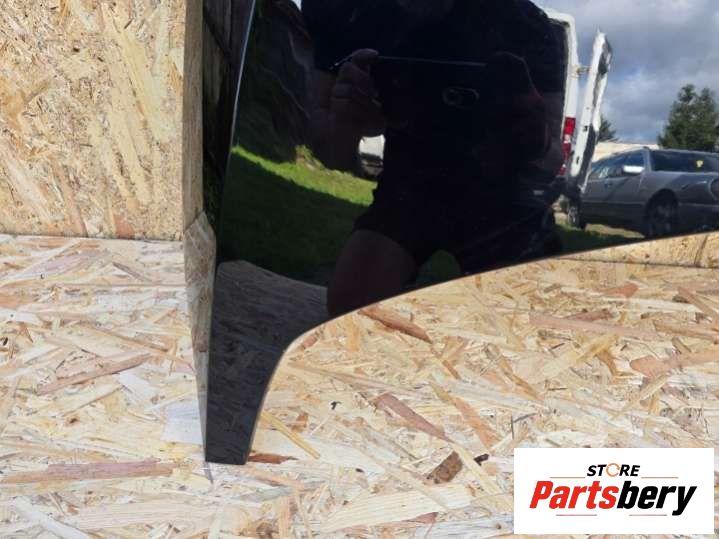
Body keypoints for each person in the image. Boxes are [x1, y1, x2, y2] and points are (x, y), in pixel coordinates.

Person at [302, 0, 566, 317]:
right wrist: (346, 122)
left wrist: (536, 138)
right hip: (409, 187)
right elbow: (330, 151)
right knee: (349, 307)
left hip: (504, 193)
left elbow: (551, 159)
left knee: (532, 321)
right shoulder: (349, 13)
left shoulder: (527, 25)